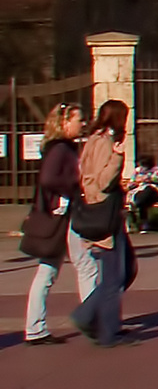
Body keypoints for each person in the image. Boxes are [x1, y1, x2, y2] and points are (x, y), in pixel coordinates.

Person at [22, 103, 96, 347]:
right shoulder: (62, 149)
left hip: (59, 216)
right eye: (79, 119)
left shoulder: (58, 147)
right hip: (64, 215)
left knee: (49, 270)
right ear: (65, 123)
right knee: (85, 265)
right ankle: (92, 320)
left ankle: (35, 328)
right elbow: (48, 179)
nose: (82, 123)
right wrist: (74, 187)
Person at [70, 99, 133, 347]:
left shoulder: (93, 140)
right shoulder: (104, 143)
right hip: (105, 214)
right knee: (114, 275)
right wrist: (118, 157)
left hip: (103, 211)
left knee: (125, 269)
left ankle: (91, 316)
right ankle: (97, 324)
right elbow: (103, 180)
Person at [127, 152, 158, 233]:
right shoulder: (137, 170)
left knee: (147, 191)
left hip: (154, 191)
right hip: (139, 191)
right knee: (142, 199)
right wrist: (136, 182)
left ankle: (136, 216)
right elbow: (130, 184)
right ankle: (144, 225)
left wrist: (149, 178)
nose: (144, 167)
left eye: (145, 165)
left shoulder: (157, 169)